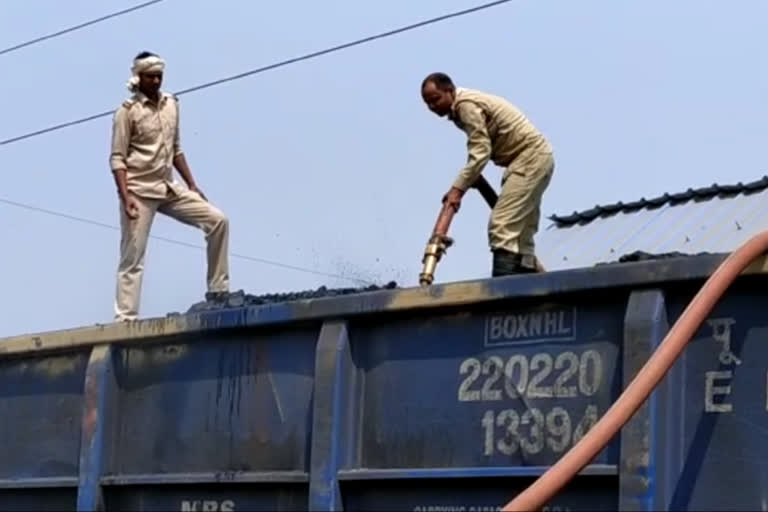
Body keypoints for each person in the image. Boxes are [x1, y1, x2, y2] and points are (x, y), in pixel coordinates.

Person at [109, 51, 231, 321]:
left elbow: (176, 150)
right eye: (150, 76)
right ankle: (125, 318)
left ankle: (218, 290)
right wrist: (125, 195)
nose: (155, 81)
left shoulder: (172, 104)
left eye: (159, 76)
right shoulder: (126, 112)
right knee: (133, 256)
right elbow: (117, 159)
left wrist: (192, 184)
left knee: (218, 220)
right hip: (139, 190)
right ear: (138, 78)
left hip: (168, 187)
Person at [420, 72, 554, 276]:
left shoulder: (465, 105)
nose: (432, 107)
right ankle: (529, 283)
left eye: (435, 99)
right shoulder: (463, 106)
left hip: (529, 158)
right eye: (428, 103)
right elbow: (479, 149)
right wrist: (468, 180)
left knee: (501, 225)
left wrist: (457, 190)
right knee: (520, 234)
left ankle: (503, 290)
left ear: (450, 90)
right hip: (532, 159)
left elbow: (480, 153)